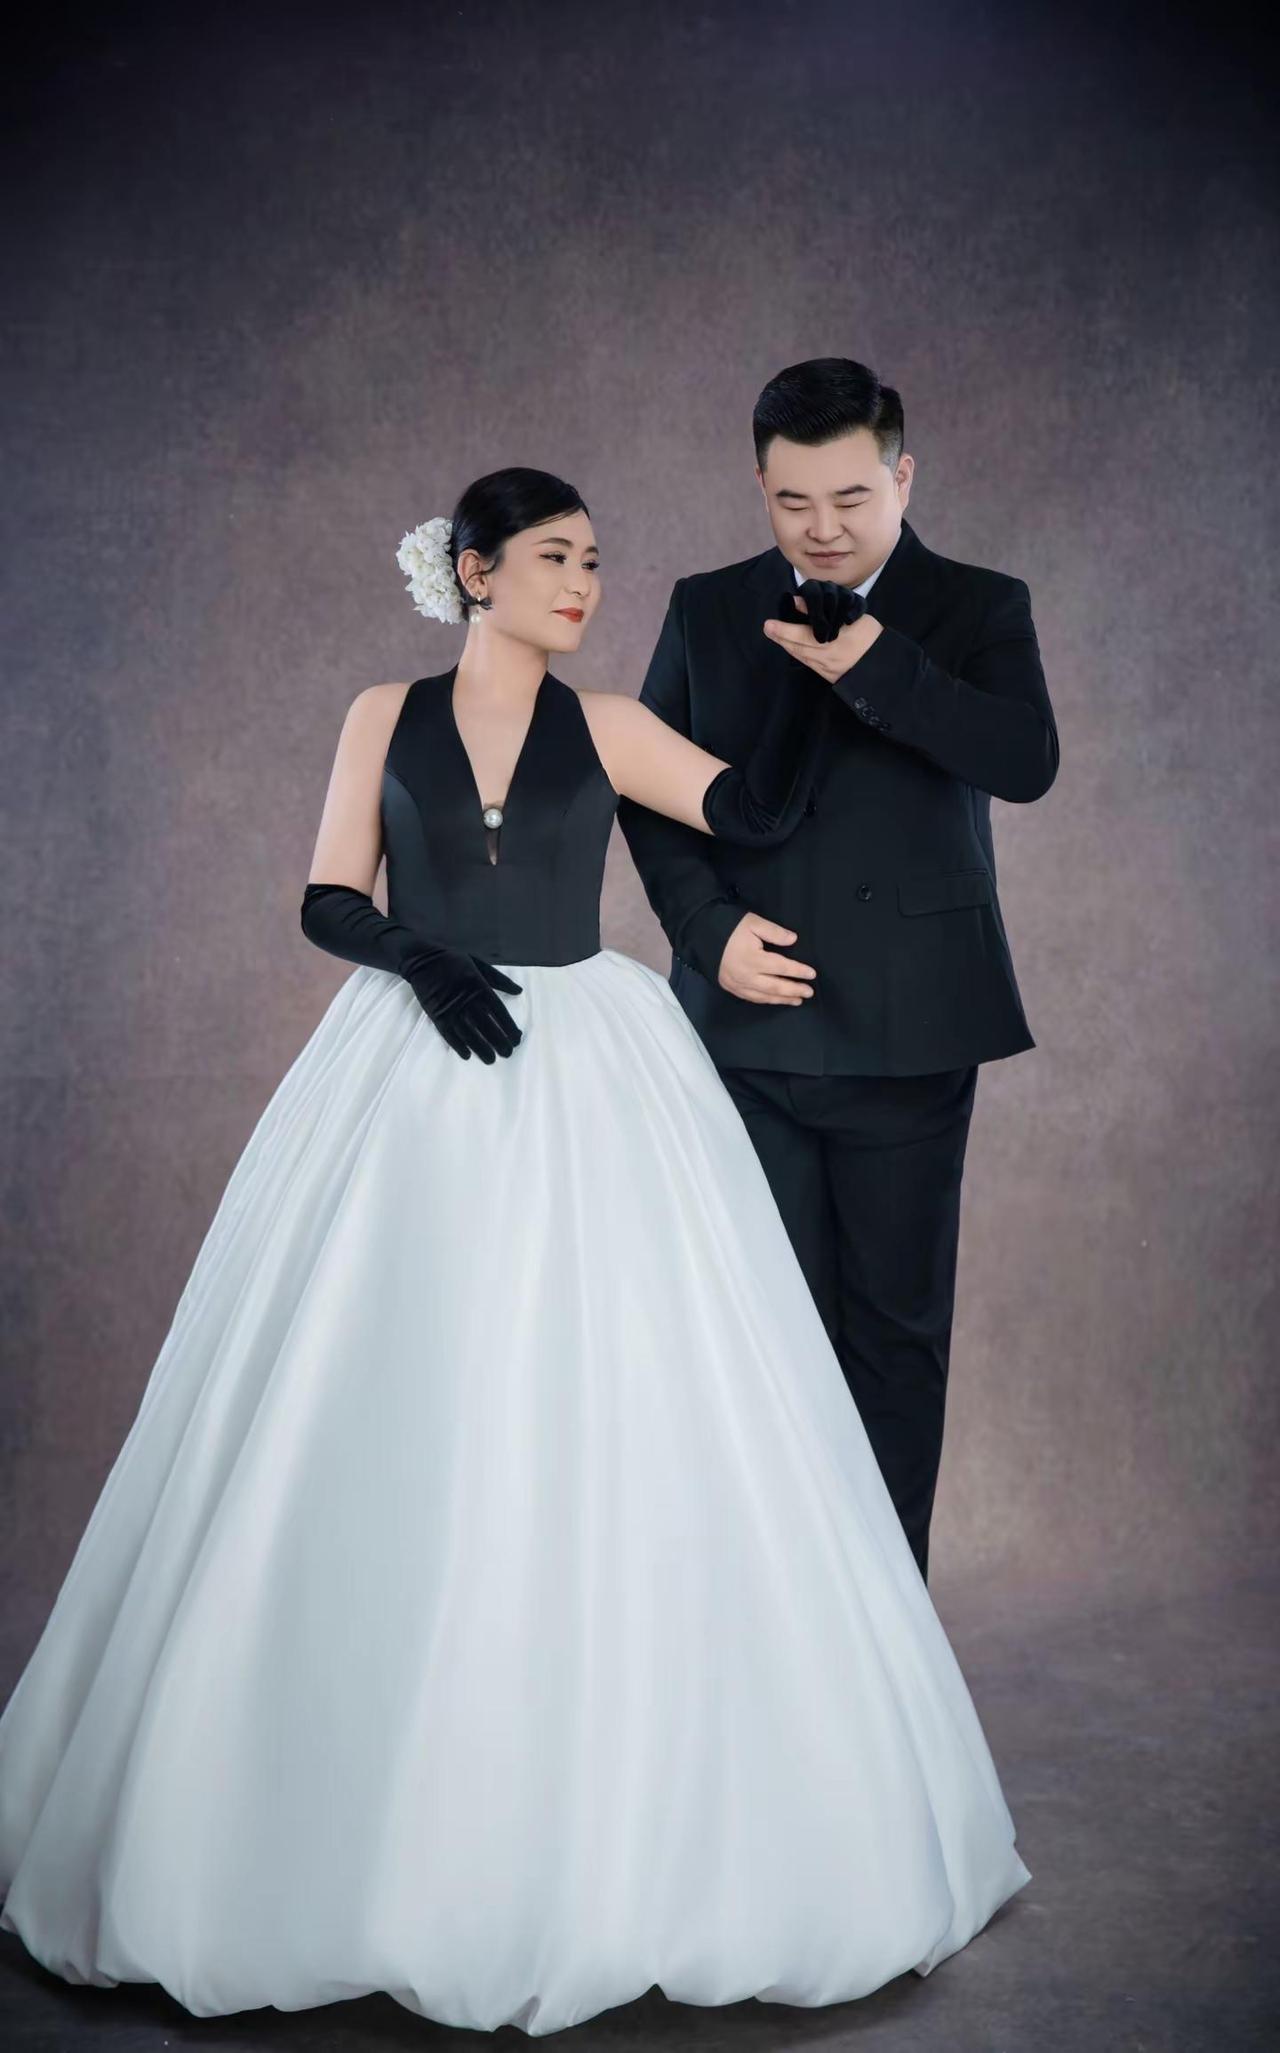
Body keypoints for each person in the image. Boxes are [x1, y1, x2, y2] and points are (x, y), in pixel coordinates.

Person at [0, 466, 1030, 2038]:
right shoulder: (381, 714)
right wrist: (418, 959)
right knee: (376, 1390)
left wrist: (831, 682)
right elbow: (326, 892)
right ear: (473, 571)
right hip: (413, 1062)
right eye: (555, 559)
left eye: (594, 562)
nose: (584, 585)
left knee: (607, 1395)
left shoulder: (609, 725)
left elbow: (753, 812)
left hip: (589, 1071)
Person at [618, 358, 1059, 1583]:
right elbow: (646, 789)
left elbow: (1023, 760)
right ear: (758, 484)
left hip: (912, 1033)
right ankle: (775, 1637)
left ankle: (886, 1634)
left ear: (902, 477)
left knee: (893, 1346)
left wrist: (872, 663)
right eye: (791, 501)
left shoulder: (978, 603)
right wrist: (707, 931)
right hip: (743, 1032)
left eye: (850, 499)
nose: (819, 528)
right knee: (760, 1342)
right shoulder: (705, 606)